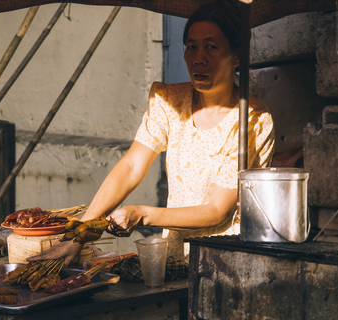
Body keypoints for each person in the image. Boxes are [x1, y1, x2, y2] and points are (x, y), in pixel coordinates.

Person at [28, 0, 275, 266]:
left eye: (211, 47)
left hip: (227, 262)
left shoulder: (252, 121)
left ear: (236, 56)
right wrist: (81, 232)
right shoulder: (170, 101)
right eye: (191, 46)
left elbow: (218, 211)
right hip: (175, 255)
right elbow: (132, 166)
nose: (198, 58)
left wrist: (143, 214)